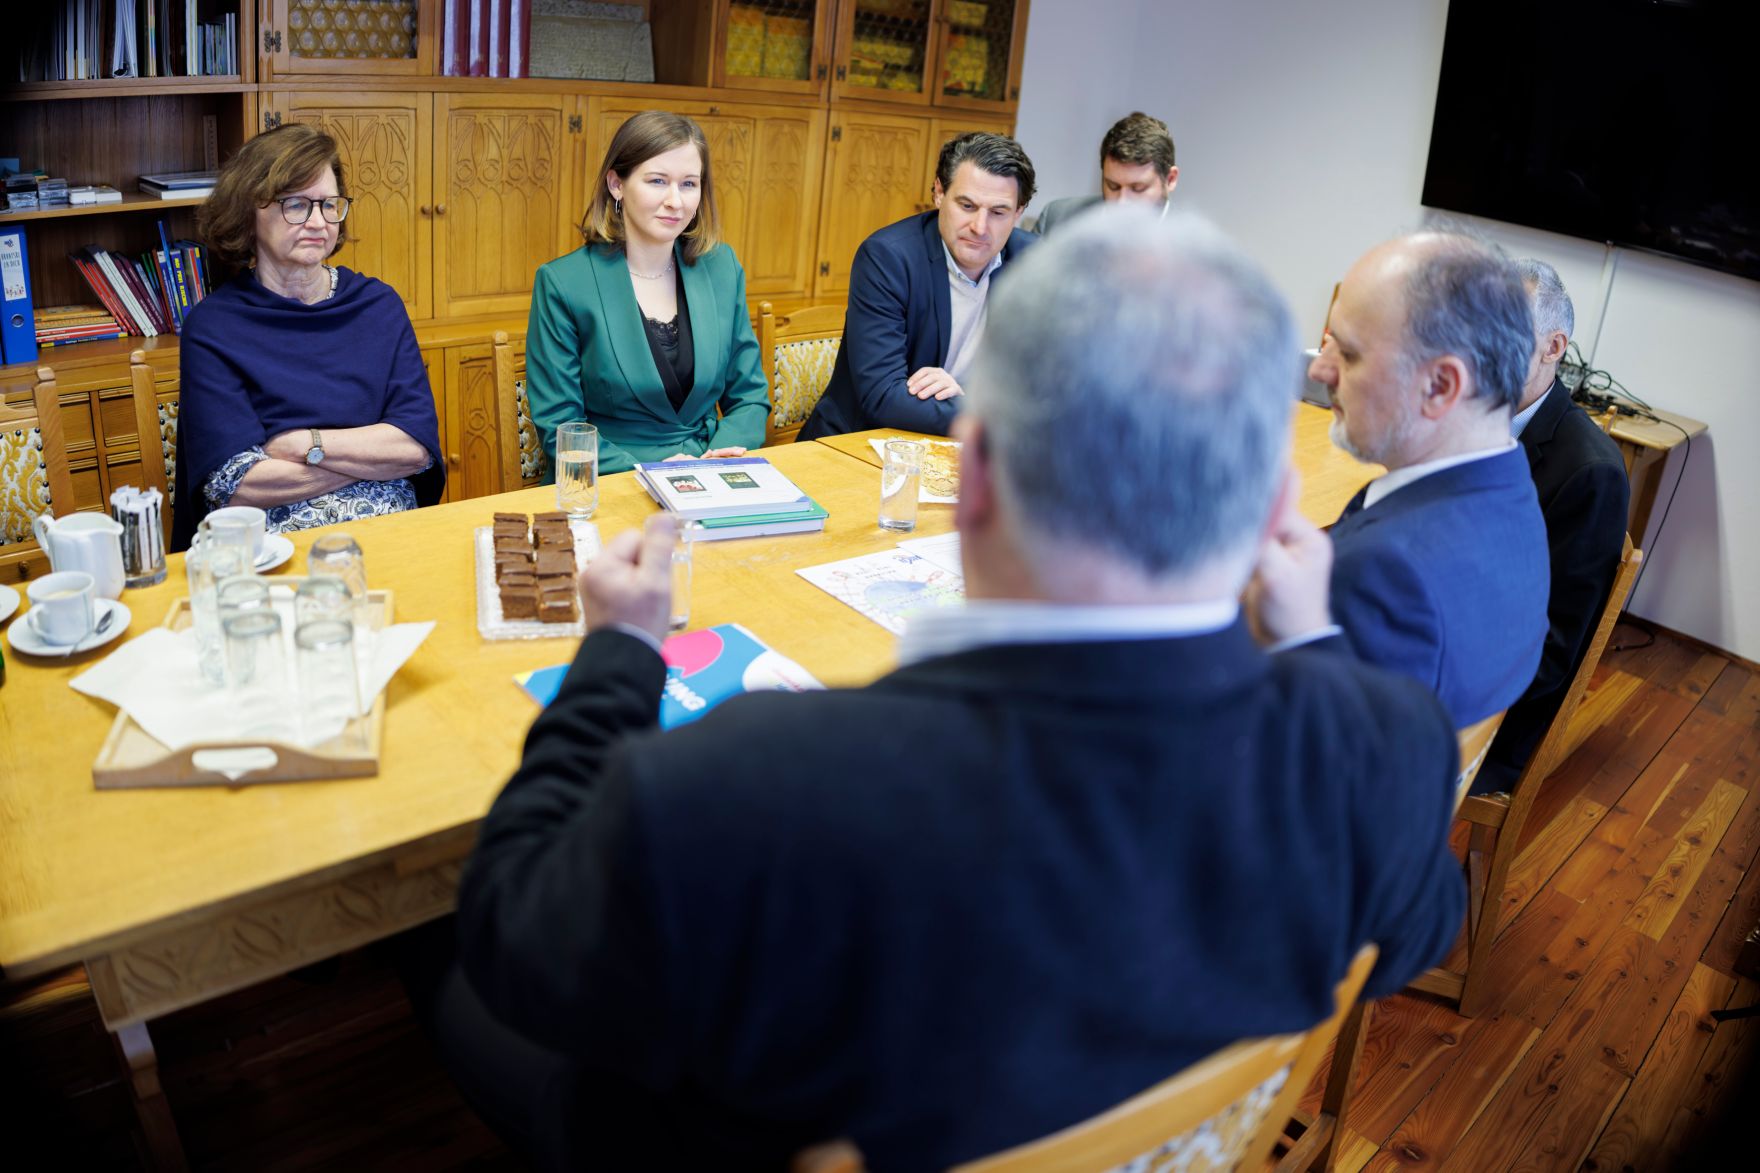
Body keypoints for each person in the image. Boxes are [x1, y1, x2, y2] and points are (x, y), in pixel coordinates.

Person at [415, 210, 1466, 1170]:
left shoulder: (752, 784)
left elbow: (515, 935)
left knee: (445, 957)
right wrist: (1312, 650)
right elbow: (1414, 933)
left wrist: (615, 658)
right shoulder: (1386, 742)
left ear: (972, 476)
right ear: (1276, 504)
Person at [1251, 231, 1550, 728]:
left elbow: (1308, 743)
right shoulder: (1513, 497)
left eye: (1348, 354)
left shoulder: (1385, 575)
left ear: (1440, 386)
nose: (1319, 370)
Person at [173, 123, 443, 551]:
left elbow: (414, 451)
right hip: (270, 552)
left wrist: (306, 444)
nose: (318, 222)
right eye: (297, 204)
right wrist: (370, 461)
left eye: (329, 205)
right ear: (248, 211)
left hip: (391, 537)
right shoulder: (214, 328)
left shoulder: (378, 307)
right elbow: (237, 485)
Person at [524, 110, 769, 477]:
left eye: (689, 184)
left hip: (711, 473)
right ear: (616, 184)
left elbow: (750, 398)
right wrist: (649, 471)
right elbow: (562, 428)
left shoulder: (722, 268)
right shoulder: (563, 283)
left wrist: (717, 459)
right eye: (657, 181)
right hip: (614, 480)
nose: (676, 201)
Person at [1475, 259, 1629, 793]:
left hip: (1488, 713)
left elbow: (1550, 652)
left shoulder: (1591, 473)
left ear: (1553, 347)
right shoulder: (1470, 415)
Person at [796, 133, 1037, 440]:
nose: (979, 227)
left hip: (963, 446)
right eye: (967, 205)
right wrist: (982, 414)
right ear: (939, 193)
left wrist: (968, 400)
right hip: (860, 443)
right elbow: (883, 395)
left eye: (998, 212)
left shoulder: (1036, 262)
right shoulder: (888, 258)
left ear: (1018, 212)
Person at [1034, 110, 1178, 237]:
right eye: (1113, 186)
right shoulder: (1057, 218)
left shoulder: (1188, 247)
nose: (1122, 202)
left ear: (1170, 179)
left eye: (1137, 188)